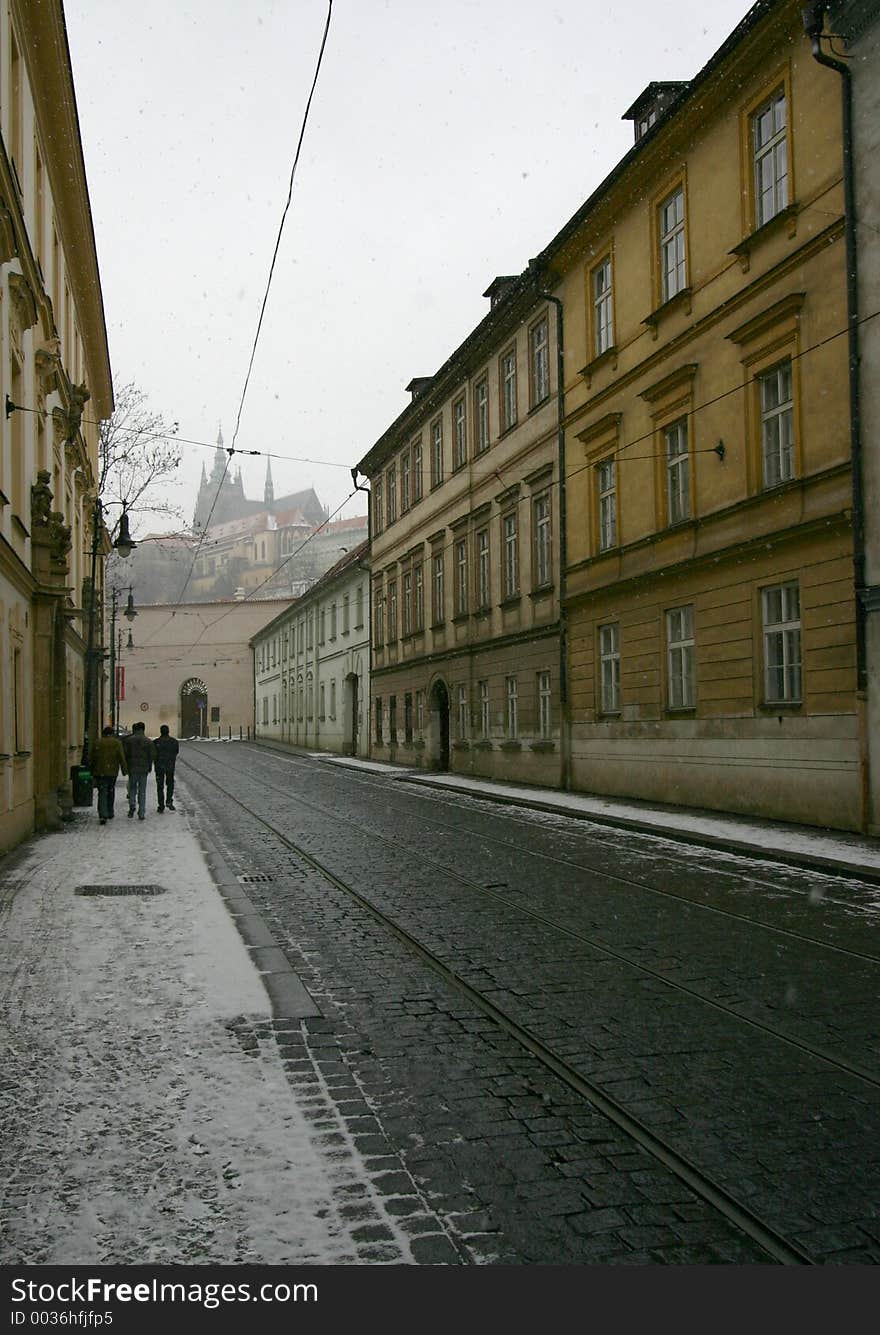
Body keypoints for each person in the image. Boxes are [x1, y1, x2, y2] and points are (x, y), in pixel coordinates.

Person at [89, 725, 128, 826]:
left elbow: (92, 757)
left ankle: (102, 813)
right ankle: (110, 811)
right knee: (111, 791)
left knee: (102, 792)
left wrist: (91, 769)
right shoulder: (117, 743)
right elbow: (121, 757)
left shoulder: (97, 742)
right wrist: (124, 770)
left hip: (100, 771)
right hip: (112, 772)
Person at [122, 720, 156, 821]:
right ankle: (141, 812)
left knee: (132, 788)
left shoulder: (128, 741)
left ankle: (132, 804)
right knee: (142, 791)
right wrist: (149, 765)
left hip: (132, 768)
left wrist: (127, 765)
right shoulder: (148, 741)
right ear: (143, 729)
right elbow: (153, 755)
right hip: (143, 768)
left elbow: (125, 754)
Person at [153, 724, 179, 812]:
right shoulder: (174, 742)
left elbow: (154, 755)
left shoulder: (156, 742)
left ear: (161, 731)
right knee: (170, 784)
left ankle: (161, 805)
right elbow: (176, 752)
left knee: (160, 786)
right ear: (168, 731)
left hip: (159, 766)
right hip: (170, 766)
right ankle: (169, 801)